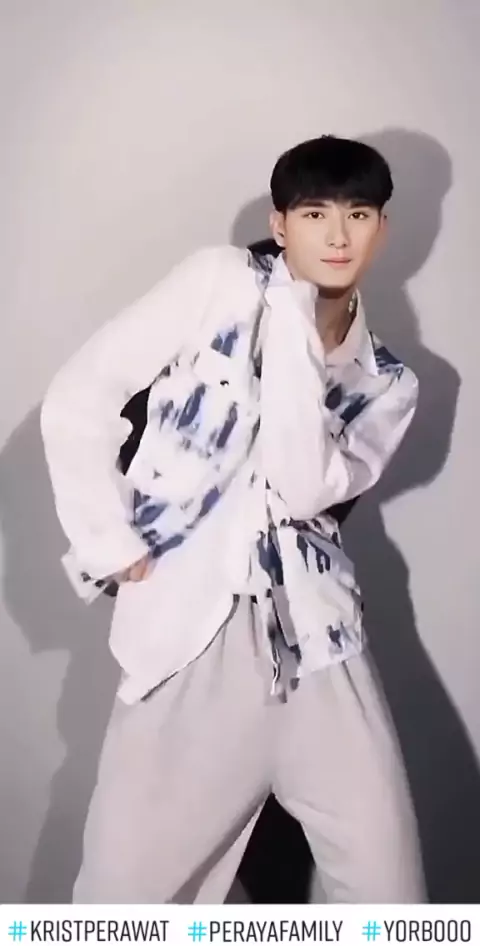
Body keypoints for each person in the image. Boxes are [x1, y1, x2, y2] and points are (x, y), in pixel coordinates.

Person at [41, 135, 426, 903]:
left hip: (320, 645)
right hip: (194, 636)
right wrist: (107, 539)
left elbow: (300, 486)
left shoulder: (388, 385)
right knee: (120, 902)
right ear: (280, 225)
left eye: (358, 214)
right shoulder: (218, 282)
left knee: (390, 900)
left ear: (382, 228)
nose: (338, 235)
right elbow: (80, 395)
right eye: (314, 214)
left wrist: (294, 322)